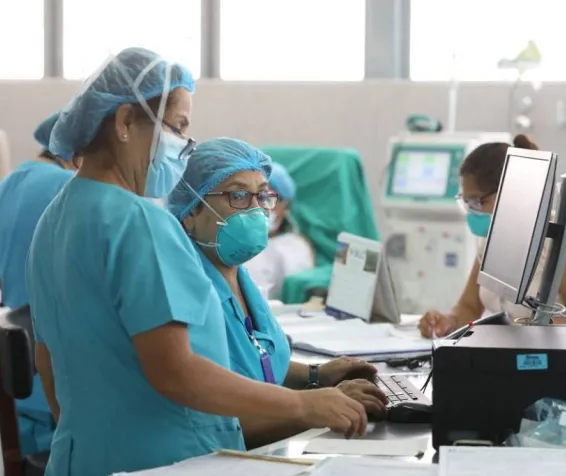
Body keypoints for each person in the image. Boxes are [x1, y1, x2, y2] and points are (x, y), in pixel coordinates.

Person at [26, 48, 367, 476]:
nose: (183, 145)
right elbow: (176, 372)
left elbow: (48, 362)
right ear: (125, 121)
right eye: (177, 126)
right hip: (165, 462)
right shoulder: (140, 222)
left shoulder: (54, 218)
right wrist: (302, 405)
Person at [167, 138, 388, 449]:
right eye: (238, 195)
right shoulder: (183, 288)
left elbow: (257, 362)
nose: (257, 209)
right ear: (191, 210)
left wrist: (316, 375)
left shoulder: (237, 275)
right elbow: (216, 426)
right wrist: (311, 408)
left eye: (263, 195)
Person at [418, 134, 566, 338]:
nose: (472, 211)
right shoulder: (490, 239)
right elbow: (469, 306)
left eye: (477, 202)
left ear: (510, 192)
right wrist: (448, 321)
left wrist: (527, 329)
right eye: (466, 202)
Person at [0, 112, 77, 456]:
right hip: (57, 381)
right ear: (77, 151)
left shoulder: (8, 183)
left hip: (21, 383)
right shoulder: (71, 188)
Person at [243, 162, 314, 299]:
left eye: (266, 198)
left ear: (286, 206)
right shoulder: (229, 244)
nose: (257, 206)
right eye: (246, 197)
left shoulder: (294, 247)